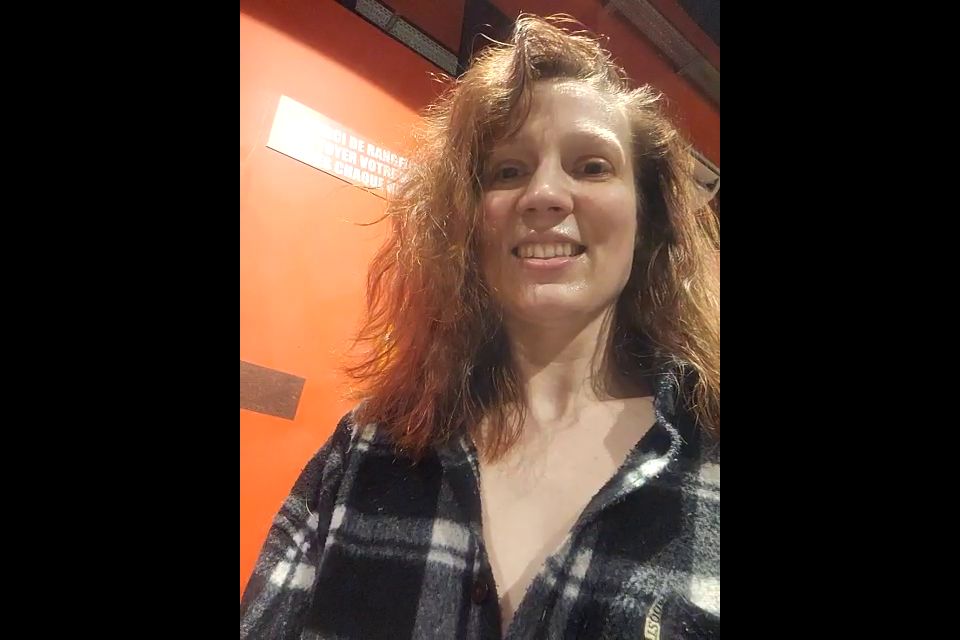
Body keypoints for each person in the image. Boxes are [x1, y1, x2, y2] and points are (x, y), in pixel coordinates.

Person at [241, 13, 719, 639]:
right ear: (469, 224)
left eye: (592, 166)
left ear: (647, 218)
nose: (544, 194)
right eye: (508, 171)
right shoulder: (364, 447)